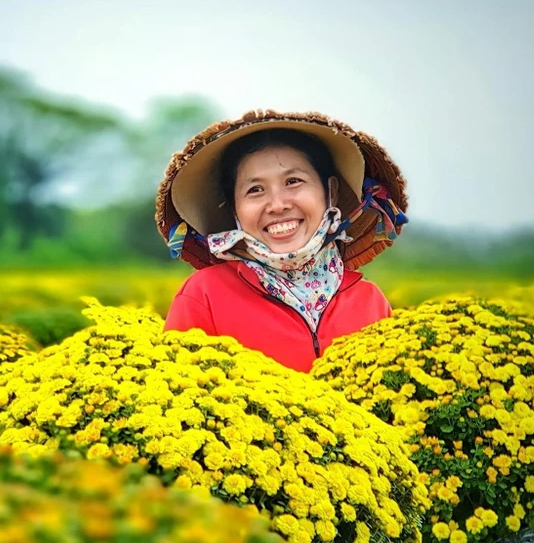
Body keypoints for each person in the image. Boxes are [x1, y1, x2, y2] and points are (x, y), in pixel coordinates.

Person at [157, 110, 409, 372]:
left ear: (331, 192)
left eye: (293, 181)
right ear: (234, 209)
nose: (277, 205)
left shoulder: (371, 303)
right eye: (255, 190)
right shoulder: (204, 295)